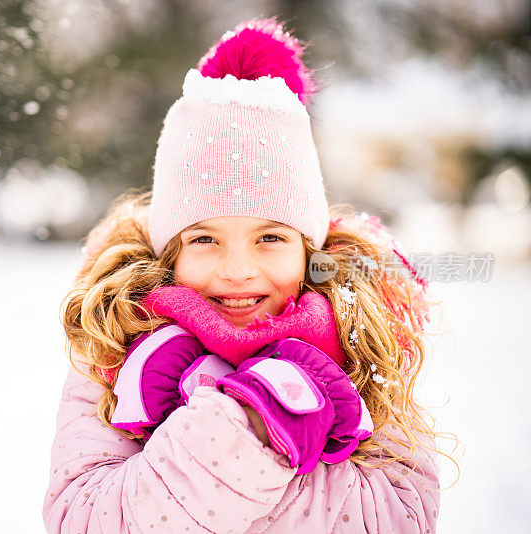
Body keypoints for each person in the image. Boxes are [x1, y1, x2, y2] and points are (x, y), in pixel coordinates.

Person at [43, 17, 451, 533]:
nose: (237, 270)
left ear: (309, 251)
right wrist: (244, 429)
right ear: (168, 254)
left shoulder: (368, 340)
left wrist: (262, 433)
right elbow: (84, 519)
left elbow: (398, 518)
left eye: (271, 238)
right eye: (204, 239)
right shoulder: (117, 344)